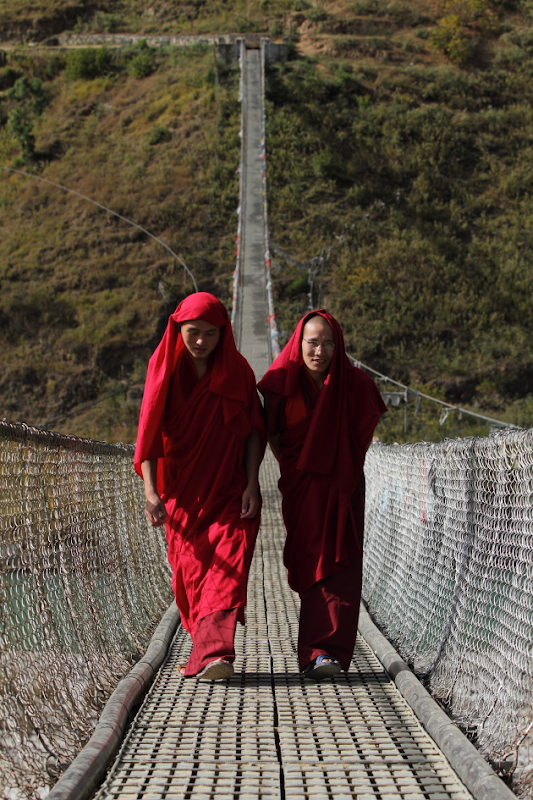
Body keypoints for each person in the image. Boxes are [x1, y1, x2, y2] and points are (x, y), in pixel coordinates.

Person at [134, 292, 265, 681]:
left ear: (223, 333)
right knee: (190, 574)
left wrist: (253, 483)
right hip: (182, 496)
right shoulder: (165, 369)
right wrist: (151, 493)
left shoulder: (238, 371)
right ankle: (207, 648)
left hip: (228, 488)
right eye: (193, 332)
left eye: (211, 333)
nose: (201, 342)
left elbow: (255, 430)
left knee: (229, 566)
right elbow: (147, 435)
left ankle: (217, 654)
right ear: (179, 329)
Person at [257, 310, 386, 681]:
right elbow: (274, 435)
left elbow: (360, 437)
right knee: (309, 561)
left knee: (340, 567)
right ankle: (316, 649)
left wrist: (332, 464)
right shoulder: (280, 384)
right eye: (313, 342)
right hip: (300, 487)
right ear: (299, 343)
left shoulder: (355, 384)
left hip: (342, 488)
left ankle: (323, 651)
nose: (321, 350)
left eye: (329, 343)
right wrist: (300, 467)